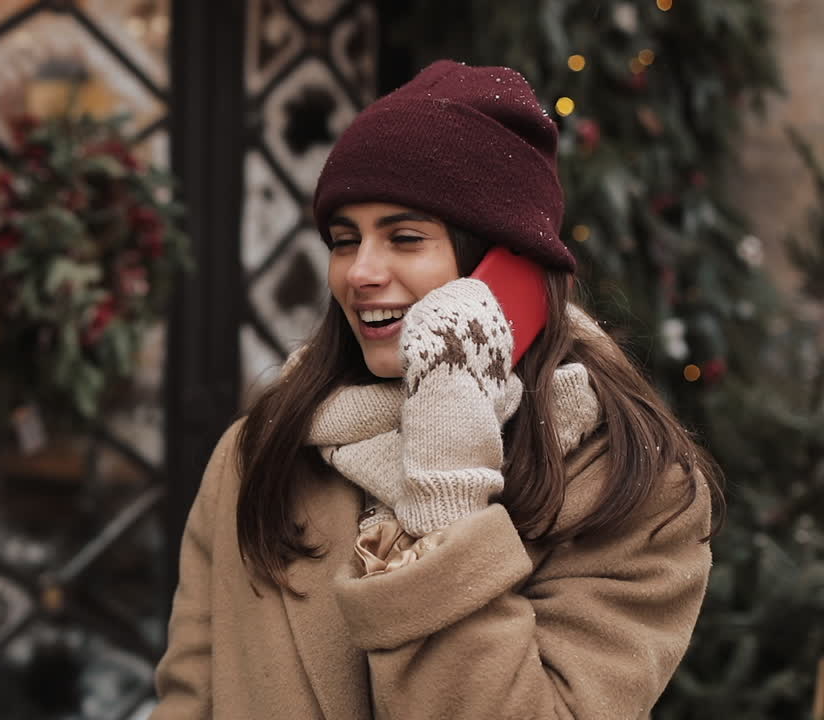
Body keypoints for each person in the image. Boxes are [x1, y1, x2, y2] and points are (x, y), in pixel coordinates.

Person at [149, 59, 722, 720]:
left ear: (501, 266)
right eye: (344, 240)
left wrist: (448, 480)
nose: (360, 272)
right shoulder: (261, 451)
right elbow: (189, 698)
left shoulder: (633, 486)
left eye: (406, 237)